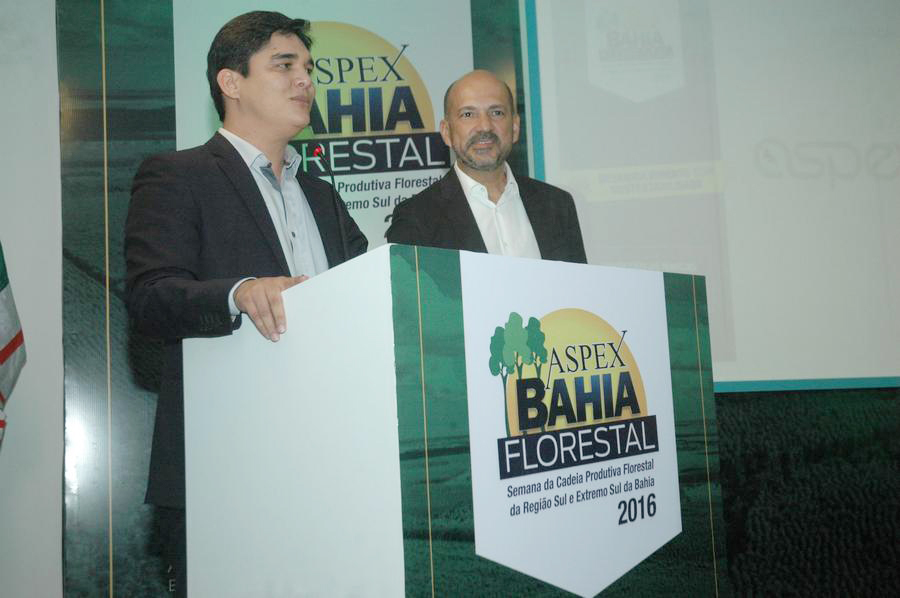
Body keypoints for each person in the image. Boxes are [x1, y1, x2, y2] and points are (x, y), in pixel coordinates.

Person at [124, 11, 367, 595]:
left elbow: (367, 296)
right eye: (284, 65)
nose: (305, 80)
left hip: (335, 466)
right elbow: (150, 297)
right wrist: (239, 293)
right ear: (231, 82)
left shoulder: (323, 196)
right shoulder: (178, 176)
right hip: (227, 470)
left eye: (308, 68)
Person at [385, 69, 586, 263]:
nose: (485, 126)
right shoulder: (417, 218)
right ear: (446, 132)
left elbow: (578, 284)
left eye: (497, 112)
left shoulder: (557, 205)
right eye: (468, 114)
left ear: (515, 127)